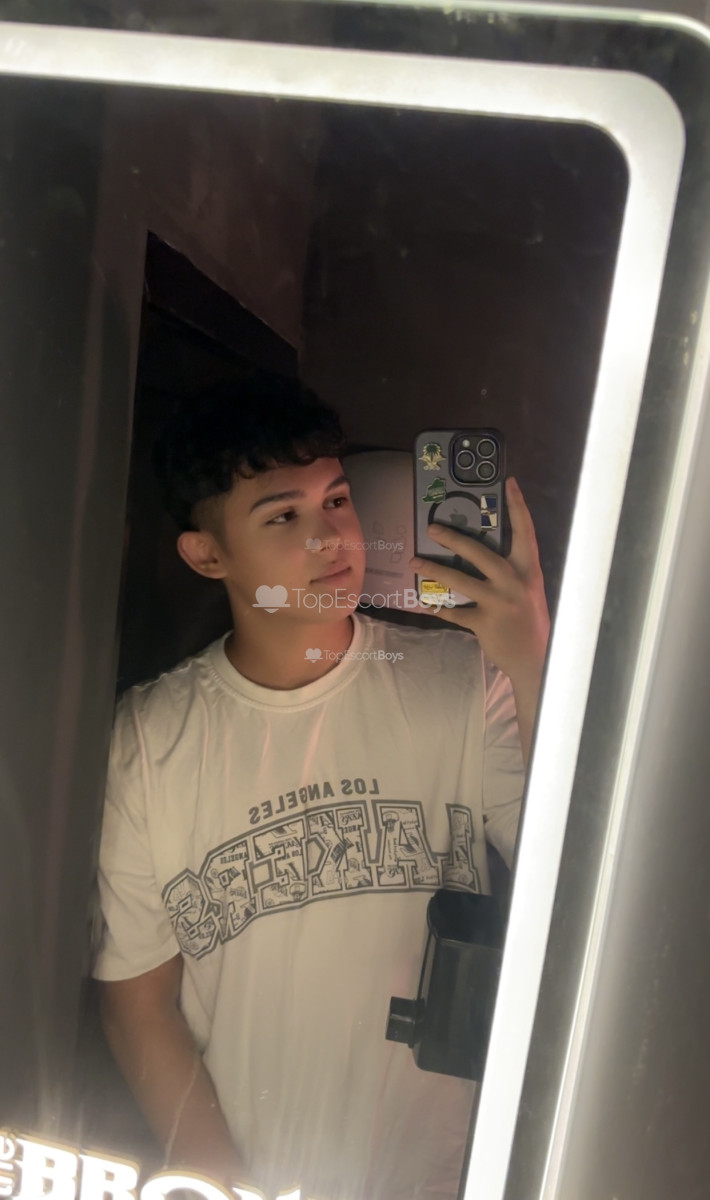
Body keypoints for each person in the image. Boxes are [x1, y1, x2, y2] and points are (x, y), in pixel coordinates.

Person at [92, 376, 550, 1200]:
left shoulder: (466, 682)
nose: (331, 536)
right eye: (283, 516)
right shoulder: (148, 743)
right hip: (259, 1172)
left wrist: (534, 658)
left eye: (336, 499)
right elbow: (137, 1000)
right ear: (206, 554)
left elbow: (583, 879)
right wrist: (228, 1190)